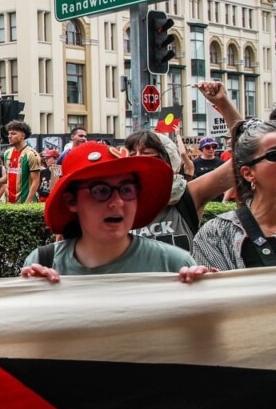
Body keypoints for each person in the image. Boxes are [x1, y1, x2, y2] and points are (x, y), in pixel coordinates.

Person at [20, 141, 207, 282]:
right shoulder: (43, 262)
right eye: (101, 191)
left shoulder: (174, 264)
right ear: (71, 201)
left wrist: (202, 299)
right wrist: (31, 297)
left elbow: (203, 332)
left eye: (126, 190)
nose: (117, 202)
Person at [126, 81, 242, 250]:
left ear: (169, 161)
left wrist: (224, 104)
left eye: (146, 154)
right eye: (131, 155)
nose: (137, 160)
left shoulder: (188, 196)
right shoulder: (117, 203)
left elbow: (245, 156)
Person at [192, 118, 276, 270]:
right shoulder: (216, 234)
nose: (211, 149)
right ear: (248, 173)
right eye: (274, 155)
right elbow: (213, 293)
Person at [3, 120, 42, 204]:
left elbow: (35, 181)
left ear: (22, 136)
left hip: (25, 204)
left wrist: (27, 204)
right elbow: (7, 177)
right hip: (9, 204)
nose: (9, 136)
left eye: (13, 134)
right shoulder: (7, 153)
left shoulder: (32, 155)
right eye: (9, 134)